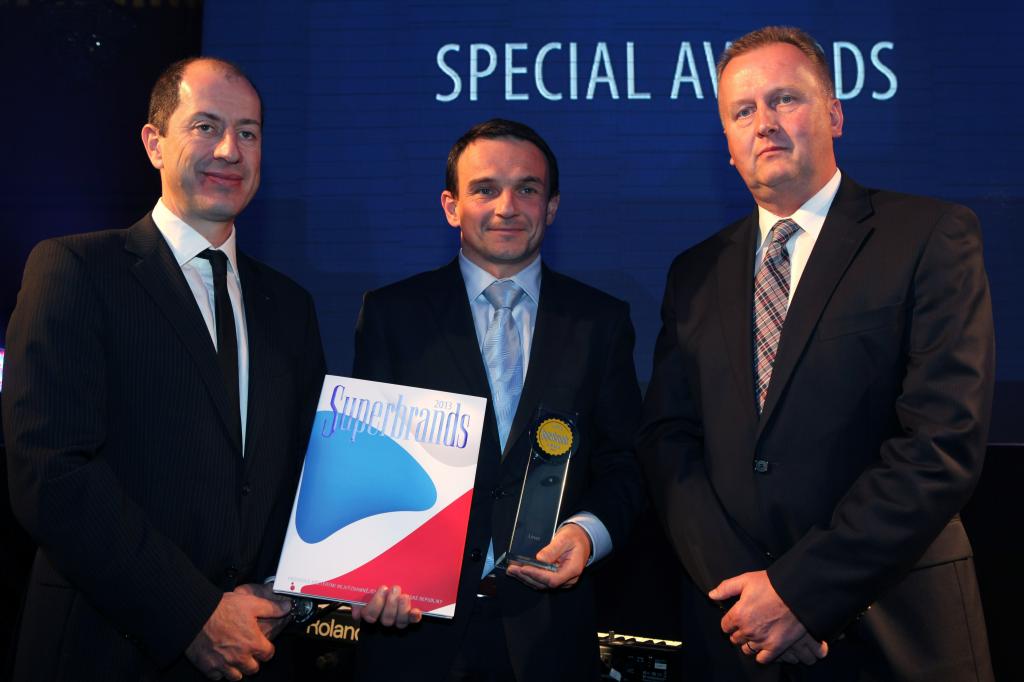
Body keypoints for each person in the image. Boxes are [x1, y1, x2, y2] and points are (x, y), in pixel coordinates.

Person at [638, 26, 994, 681]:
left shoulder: (929, 236)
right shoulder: (693, 273)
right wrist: (748, 594)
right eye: (743, 111)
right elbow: (670, 444)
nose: (765, 124)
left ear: (834, 114)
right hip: (737, 635)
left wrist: (799, 593)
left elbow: (941, 443)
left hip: (895, 628)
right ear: (727, 145)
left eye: (785, 100)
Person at [3, 57, 326, 681]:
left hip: (258, 647)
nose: (230, 149)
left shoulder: (290, 306)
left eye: (249, 132)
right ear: (154, 143)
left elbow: (305, 474)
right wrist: (193, 615)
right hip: (107, 652)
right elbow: (50, 471)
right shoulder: (75, 270)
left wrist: (301, 592)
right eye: (206, 126)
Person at [349, 119, 645, 681]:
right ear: (451, 206)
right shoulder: (392, 314)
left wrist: (588, 533)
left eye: (527, 189)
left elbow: (625, 463)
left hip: (550, 634)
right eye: (485, 189)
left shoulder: (600, 322)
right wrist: (365, 573)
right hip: (414, 631)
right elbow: (366, 467)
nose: (507, 206)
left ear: (551, 207)